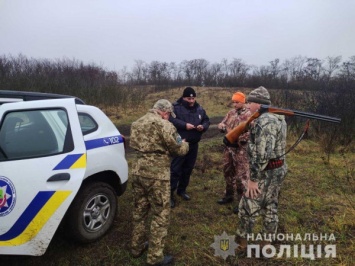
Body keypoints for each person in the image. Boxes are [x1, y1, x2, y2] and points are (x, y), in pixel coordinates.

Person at [130, 99, 189, 266]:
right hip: (157, 176)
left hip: (138, 171)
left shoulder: (136, 123)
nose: (169, 117)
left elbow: (134, 144)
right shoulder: (165, 125)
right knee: (160, 214)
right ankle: (155, 257)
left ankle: (137, 247)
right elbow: (178, 150)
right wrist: (184, 145)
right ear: (165, 112)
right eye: (169, 114)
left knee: (139, 211)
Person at [236, 86, 287, 250]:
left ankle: (242, 245)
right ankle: (267, 243)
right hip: (278, 169)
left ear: (259, 104)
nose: (248, 106)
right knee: (271, 205)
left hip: (264, 172)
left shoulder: (264, 121)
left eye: (250, 102)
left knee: (247, 206)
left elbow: (262, 155)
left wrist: (253, 180)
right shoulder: (278, 118)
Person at [169, 87, 210, 207]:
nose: (191, 101)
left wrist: (203, 126)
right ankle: (170, 193)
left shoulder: (199, 108)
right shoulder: (175, 108)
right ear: (183, 97)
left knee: (188, 169)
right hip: (180, 144)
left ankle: (182, 190)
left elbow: (206, 120)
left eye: (193, 98)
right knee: (175, 170)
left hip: (193, 144)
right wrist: (184, 125)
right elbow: (170, 120)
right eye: (188, 98)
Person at [217, 91, 252, 214]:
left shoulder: (249, 115)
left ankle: (242, 202)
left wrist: (238, 139)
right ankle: (228, 195)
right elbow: (223, 123)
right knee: (228, 172)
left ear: (243, 102)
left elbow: (251, 132)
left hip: (241, 150)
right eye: (233, 102)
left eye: (237, 102)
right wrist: (221, 126)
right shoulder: (231, 113)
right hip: (228, 149)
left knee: (241, 176)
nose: (234, 104)